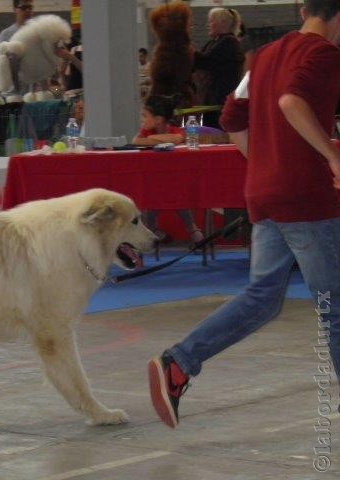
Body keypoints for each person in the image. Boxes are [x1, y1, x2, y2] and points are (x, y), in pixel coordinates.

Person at [149, 0, 340, 429]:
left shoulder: (267, 54)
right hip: (305, 199)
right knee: (335, 304)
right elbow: (293, 101)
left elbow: (233, 117)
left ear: (304, 7)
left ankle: (178, 362)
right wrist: (331, 157)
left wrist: (265, 163)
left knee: (263, 298)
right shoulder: (323, 54)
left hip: (264, 194)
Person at [133, 94, 204, 245]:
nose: (142, 120)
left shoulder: (175, 130)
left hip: (174, 181)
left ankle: (192, 229)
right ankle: (153, 230)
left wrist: (152, 140)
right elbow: (136, 141)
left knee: (176, 196)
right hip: (153, 183)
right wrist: (161, 139)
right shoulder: (145, 133)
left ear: (158, 119)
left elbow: (177, 139)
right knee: (151, 199)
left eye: (145, 116)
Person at [193, 7, 244, 128]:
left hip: (220, 102)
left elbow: (204, 61)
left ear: (222, 23)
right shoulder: (213, 43)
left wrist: (188, 49)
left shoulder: (228, 42)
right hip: (211, 102)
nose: (208, 25)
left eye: (211, 21)